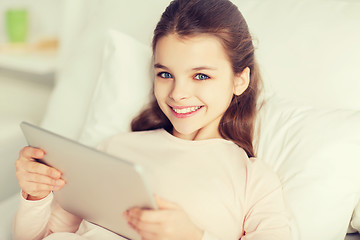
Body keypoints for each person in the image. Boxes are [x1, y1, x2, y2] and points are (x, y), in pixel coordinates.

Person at [13, 0, 292, 239]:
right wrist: (35, 196)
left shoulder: (252, 180)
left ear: (240, 80)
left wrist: (193, 236)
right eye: (166, 74)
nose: (178, 94)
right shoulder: (114, 149)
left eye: (201, 76)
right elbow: (46, 234)